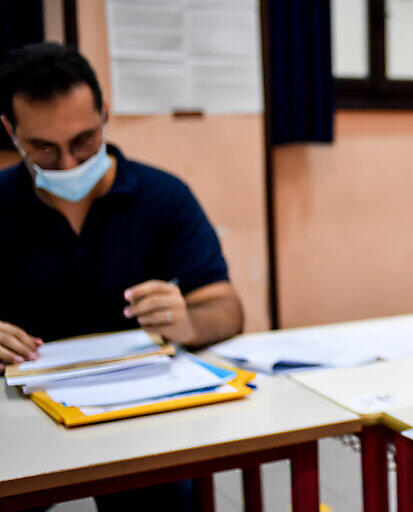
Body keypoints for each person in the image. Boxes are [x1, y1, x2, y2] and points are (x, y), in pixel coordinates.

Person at [0, 43, 243, 510]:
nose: (69, 164)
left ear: (106, 115)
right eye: (44, 149)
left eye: (84, 141)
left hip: (139, 421)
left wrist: (189, 321)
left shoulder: (164, 197)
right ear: (11, 132)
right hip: (21, 425)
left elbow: (227, 308)